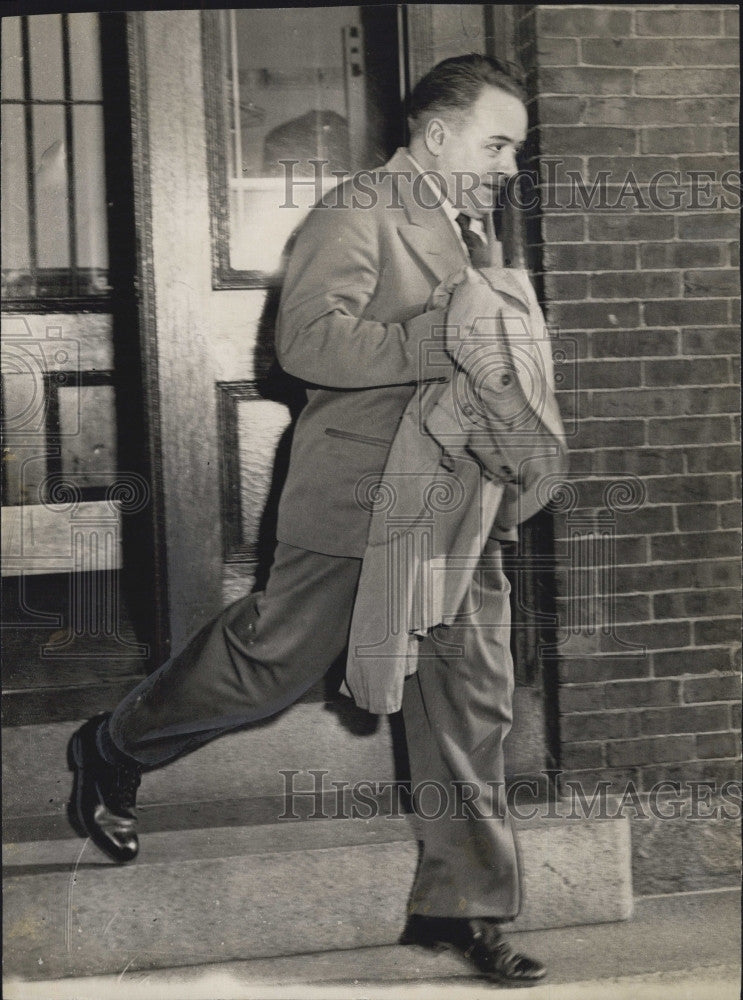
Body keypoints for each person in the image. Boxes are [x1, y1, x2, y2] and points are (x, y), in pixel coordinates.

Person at [68, 54, 558, 987]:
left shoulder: (479, 229)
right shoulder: (355, 210)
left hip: (460, 504)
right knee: (269, 663)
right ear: (438, 131)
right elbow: (305, 342)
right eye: (496, 144)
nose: (505, 165)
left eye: (513, 150)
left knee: (470, 703)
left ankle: (466, 910)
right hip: (363, 502)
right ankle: (111, 746)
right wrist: (436, 341)